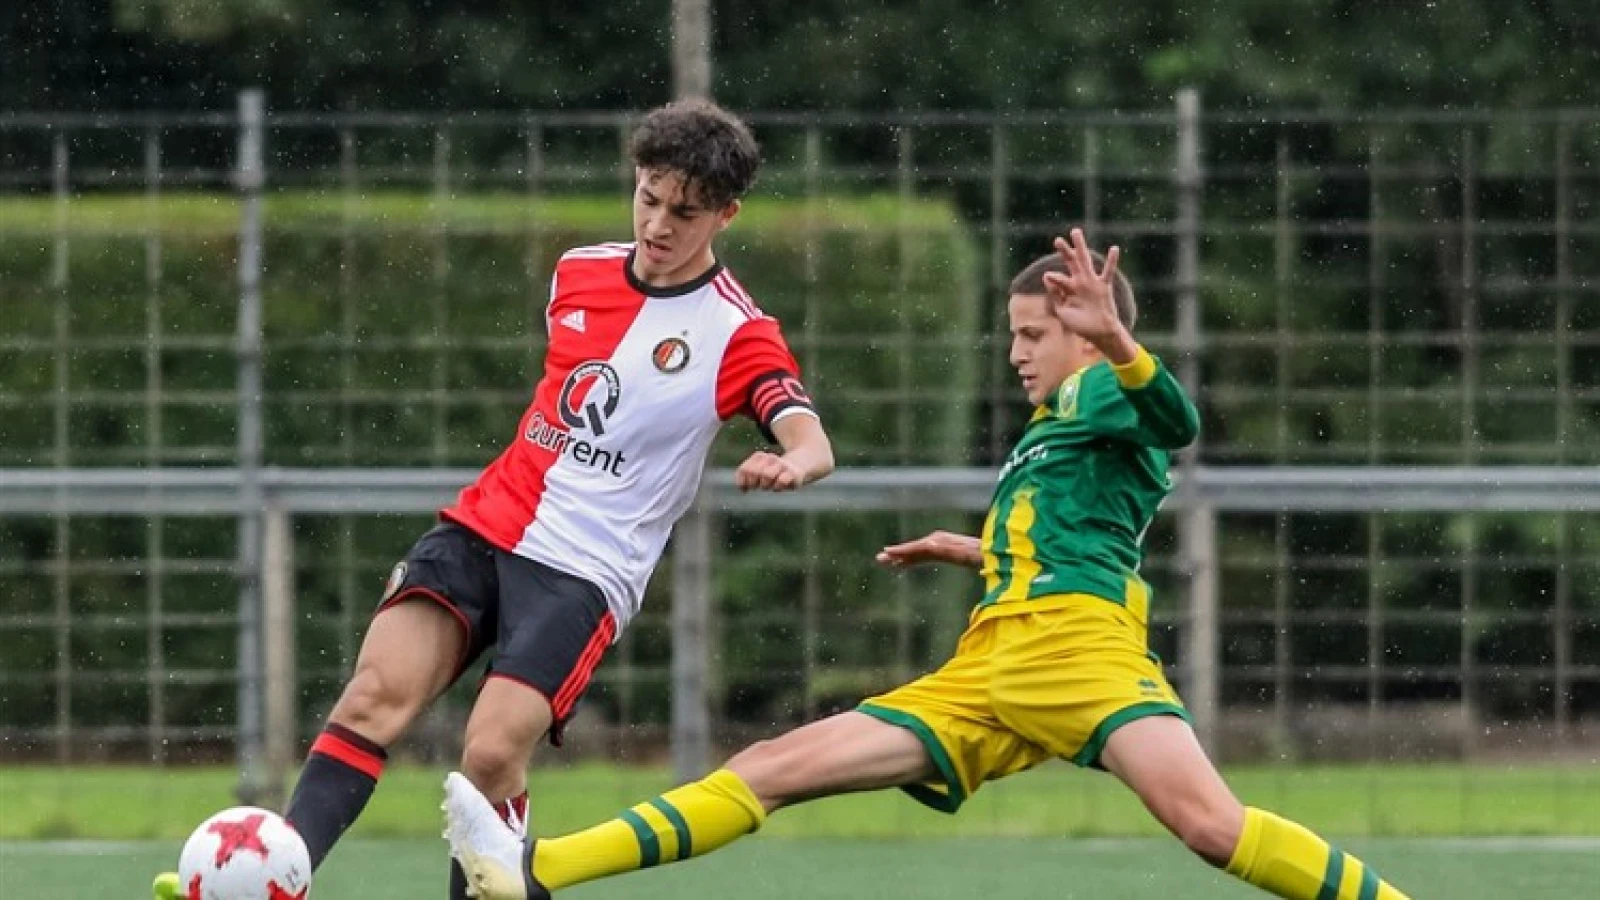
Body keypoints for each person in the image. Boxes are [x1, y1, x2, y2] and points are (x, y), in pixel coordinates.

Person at [441, 228, 1412, 900]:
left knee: (1209, 828)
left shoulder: (1111, 395)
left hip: (1079, 655)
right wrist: (983, 550)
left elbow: (1177, 423)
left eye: (1033, 334)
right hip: (993, 663)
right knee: (773, 766)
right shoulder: (1053, 427)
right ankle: (530, 874)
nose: (1014, 353)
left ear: (1086, 332)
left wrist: (1122, 341)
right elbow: (1081, 526)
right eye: (1013, 334)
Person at [153, 99, 835, 900]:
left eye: (683, 213)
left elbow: (811, 438)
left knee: (487, 755)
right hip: (486, 523)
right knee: (373, 696)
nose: (657, 225)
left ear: (726, 214)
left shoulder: (737, 332)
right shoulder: (578, 272)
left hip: (584, 570)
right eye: (648, 198)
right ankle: (271, 879)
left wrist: (793, 463)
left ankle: (497, 879)